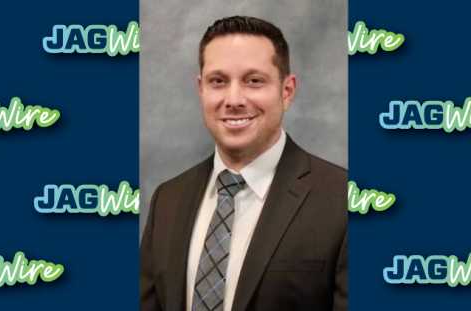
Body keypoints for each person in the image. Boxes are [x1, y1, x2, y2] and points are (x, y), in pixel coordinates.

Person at [140, 16, 347, 311]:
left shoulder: (343, 200)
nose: (234, 98)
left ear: (286, 91)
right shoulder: (167, 200)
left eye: (254, 81)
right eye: (218, 81)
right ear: (202, 89)